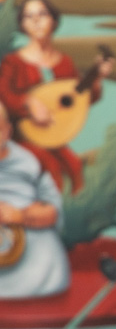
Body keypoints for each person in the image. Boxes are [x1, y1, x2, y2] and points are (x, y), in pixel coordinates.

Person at [0, 0, 113, 192]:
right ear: (22, 25)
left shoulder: (64, 62)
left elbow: (79, 99)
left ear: (53, 21)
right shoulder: (13, 62)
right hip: (20, 137)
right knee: (51, 168)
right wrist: (28, 103)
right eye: (28, 16)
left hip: (52, 136)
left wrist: (97, 77)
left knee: (75, 169)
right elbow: (4, 97)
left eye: (42, 14)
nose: (35, 20)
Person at [0, 99, 67, 299]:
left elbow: (54, 210)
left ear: (8, 131)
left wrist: (20, 215)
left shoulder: (30, 162)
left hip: (33, 266)